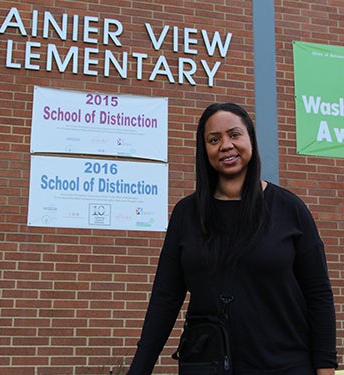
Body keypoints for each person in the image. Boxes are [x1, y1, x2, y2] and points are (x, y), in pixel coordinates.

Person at [127, 103, 337, 374]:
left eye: (234, 135)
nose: (225, 145)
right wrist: (139, 368)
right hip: (207, 364)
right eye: (214, 140)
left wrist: (325, 367)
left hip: (284, 365)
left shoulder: (289, 209)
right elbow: (165, 298)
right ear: (204, 150)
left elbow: (318, 295)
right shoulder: (186, 214)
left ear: (250, 139)